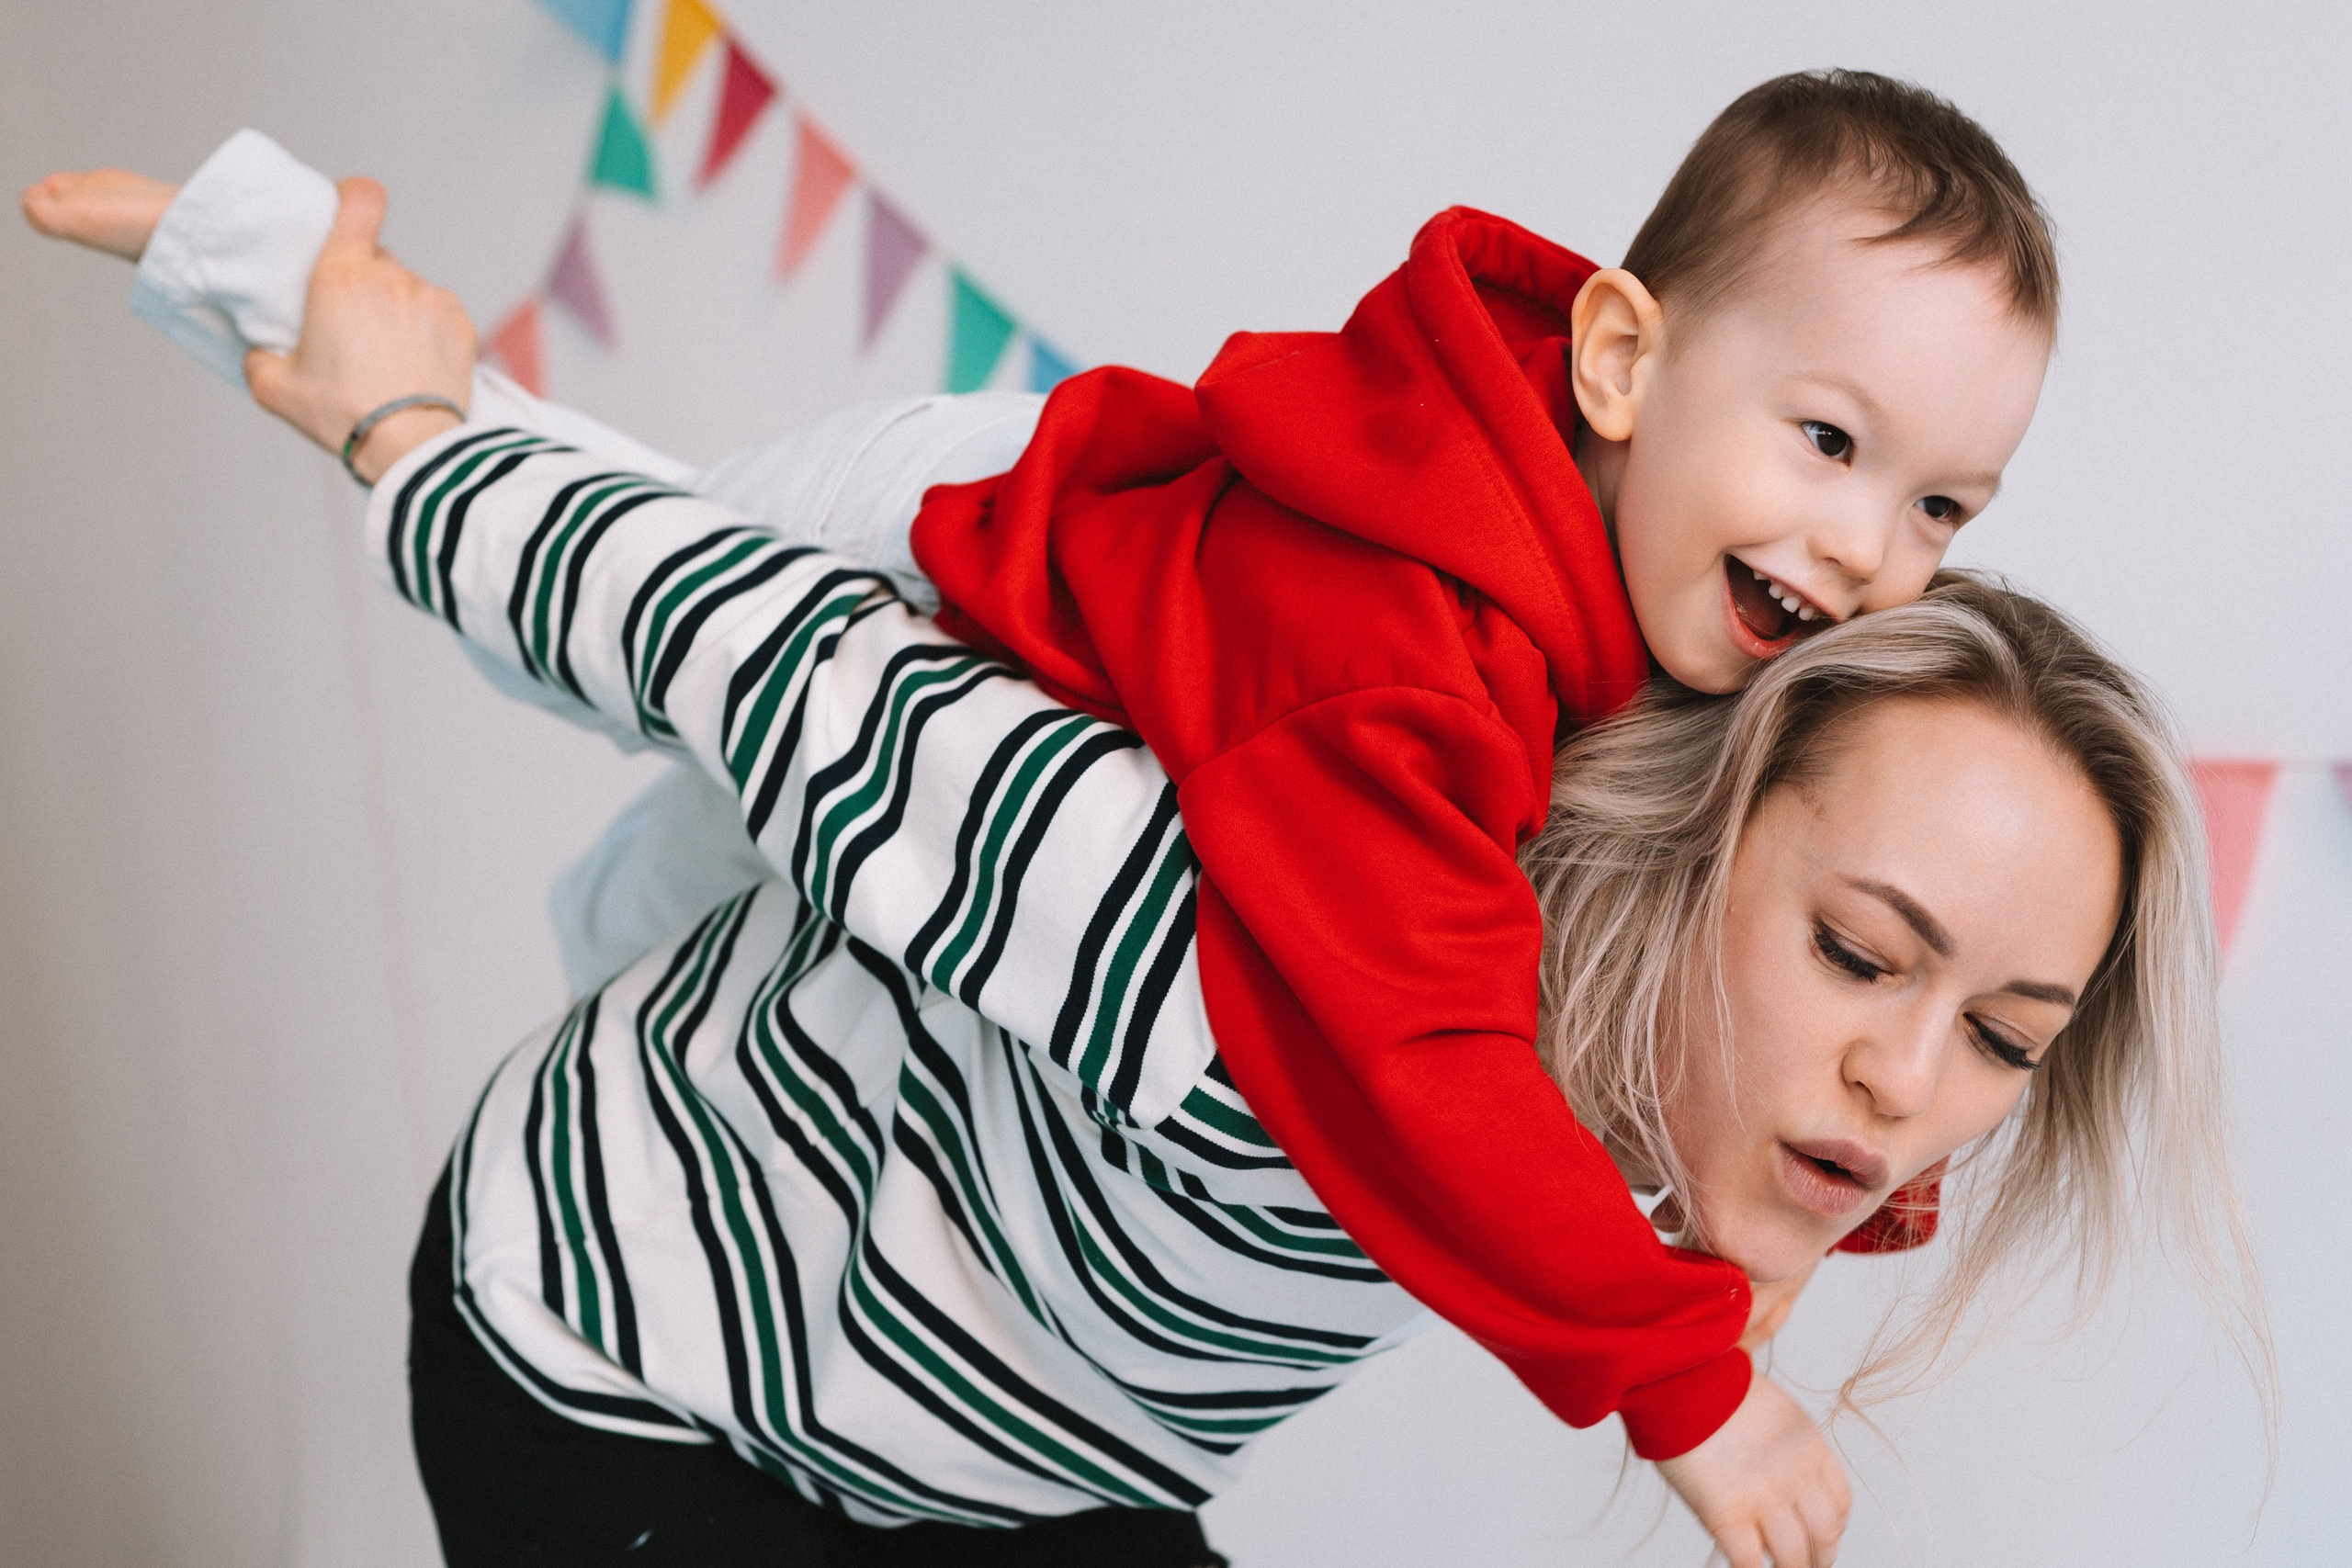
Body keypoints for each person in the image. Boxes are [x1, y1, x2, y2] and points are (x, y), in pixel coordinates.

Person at [27, 91, 2270, 1565]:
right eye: (1864, 957)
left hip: (1011, 1426)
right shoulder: (1242, 913)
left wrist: (1758, 1228)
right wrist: (397, 398)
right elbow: (712, 623)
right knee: (748, 610)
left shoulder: (1645, 750)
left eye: (2002, 1030)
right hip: (659, 1347)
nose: (1905, 1091)